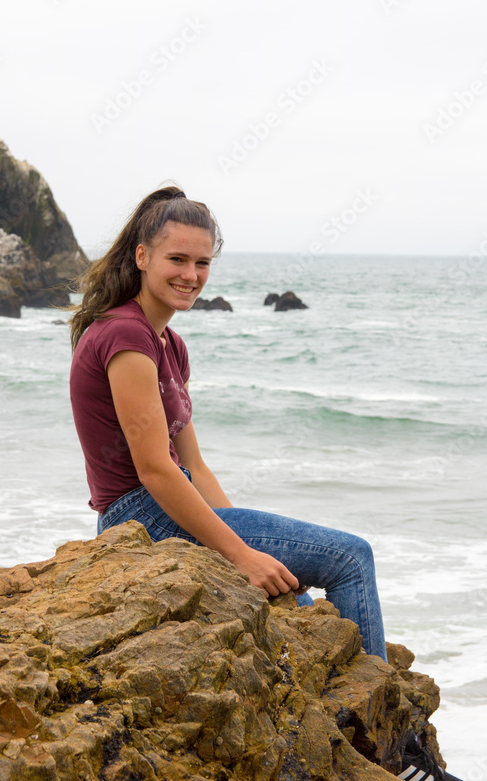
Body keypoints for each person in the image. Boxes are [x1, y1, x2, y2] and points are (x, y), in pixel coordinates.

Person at [68, 184, 462, 781]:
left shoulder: (169, 343)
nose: (192, 274)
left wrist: (248, 546)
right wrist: (241, 553)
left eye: (203, 263)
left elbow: (195, 467)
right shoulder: (124, 336)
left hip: (164, 506)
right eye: (178, 259)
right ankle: (395, 753)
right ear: (142, 256)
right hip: (138, 517)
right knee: (351, 558)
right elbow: (154, 469)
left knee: (298, 603)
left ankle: (344, 743)